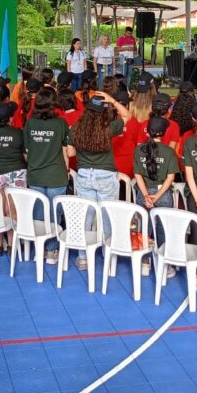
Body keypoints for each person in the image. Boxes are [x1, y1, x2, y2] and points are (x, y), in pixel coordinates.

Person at [73, 93, 130, 269]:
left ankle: (83, 257)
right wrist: (112, 100)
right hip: (106, 176)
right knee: (108, 217)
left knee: (85, 217)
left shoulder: (76, 128)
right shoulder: (108, 128)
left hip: (84, 175)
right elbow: (127, 115)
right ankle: (109, 254)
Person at [24, 88, 73, 263]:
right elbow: (68, 151)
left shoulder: (30, 123)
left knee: (38, 215)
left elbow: (27, 151)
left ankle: (39, 248)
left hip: (36, 175)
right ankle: (51, 251)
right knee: (54, 215)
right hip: (56, 176)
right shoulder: (61, 123)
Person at [133, 116, 178, 278]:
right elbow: (170, 178)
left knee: (144, 229)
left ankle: (145, 263)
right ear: (164, 133)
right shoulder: (169, 152)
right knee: (162, 230)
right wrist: (157, 196)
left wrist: (146, 196)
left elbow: (137, 175)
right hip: (163, 194)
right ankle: (164, 266)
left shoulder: (139, 150)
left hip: (143, 195)